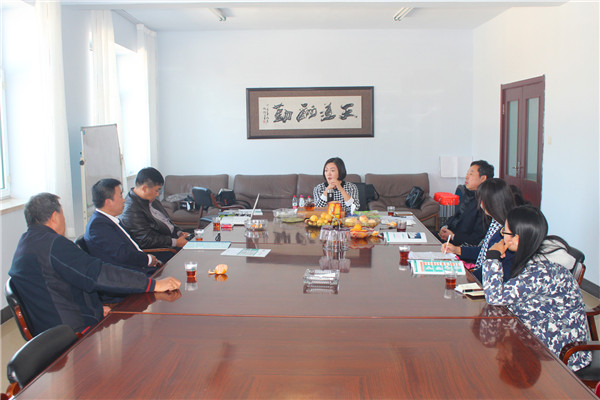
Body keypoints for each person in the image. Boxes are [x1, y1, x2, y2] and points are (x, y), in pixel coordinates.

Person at [8, 193, 181, 337]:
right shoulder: (55, 245)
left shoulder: (24, 244)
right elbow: (99, 273)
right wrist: (152, 284)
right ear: (54, 217)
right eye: (62, 215)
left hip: (50, 331)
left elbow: (58, 285)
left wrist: (96, 309)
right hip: (74, 333)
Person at [482, 205, 591, 371]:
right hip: (540, 338)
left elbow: (495, 297)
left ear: (517, 238)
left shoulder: (543, 271)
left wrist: (492, 257)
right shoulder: (535, 260)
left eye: (505, 232)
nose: (503, 236)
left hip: (561, 353)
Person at [442, 178, 515, 282]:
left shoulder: (506, 232)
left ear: (492, 202)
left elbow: (490, 269)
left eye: (482, 200)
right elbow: (483, 251)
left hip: (489, 281)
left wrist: (466, 275)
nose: (480, 204)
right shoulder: (495, 222)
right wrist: (456, 250)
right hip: (481, 275)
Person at [84, 178, 159, 275]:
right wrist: (148, 259)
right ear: (108, 202)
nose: (124, 200)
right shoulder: (98, 226)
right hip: (130, 275)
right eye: (120, 196)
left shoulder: (106, 220)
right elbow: (123, 255)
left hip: (139, 267)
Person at [120, 167, 189, 263]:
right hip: (162, 249)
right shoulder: (131, 210)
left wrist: (179, 232)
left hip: (172, 239)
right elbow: (145, 240)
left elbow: (168, 222)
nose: (157, 194)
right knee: (196, 256)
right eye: (157, 190)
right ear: (144, 188)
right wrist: (175, 242)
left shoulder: (151, 200)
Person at [437, 160, 494, 246]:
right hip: (448, 238)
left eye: (471, 174)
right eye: (467, 173)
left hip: (460, 246)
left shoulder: (485, 203)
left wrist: (453, 236)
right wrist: (445, 227)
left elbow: (477, 238)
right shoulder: (468, 194)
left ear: (483, 178)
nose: (466, 177)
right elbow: (456, 216)